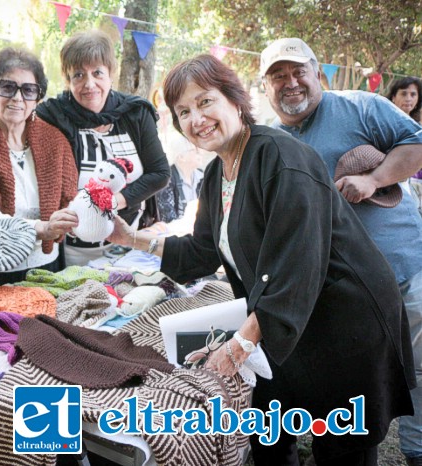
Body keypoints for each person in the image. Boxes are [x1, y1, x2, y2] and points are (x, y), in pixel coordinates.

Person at [108, 54, 415, 466]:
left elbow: (297, 263)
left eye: (204, 102)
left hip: (345, 320)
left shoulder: (281, 156)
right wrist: (131, 238)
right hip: (289, 317)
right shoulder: (218, 173)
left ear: (234, 99)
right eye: (183, 111)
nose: (195, 118)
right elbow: (202, 250)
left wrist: (239, 345)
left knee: (342, 446)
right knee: (269, 430)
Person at [260, 37, 422, 466]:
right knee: (357, 385)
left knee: (419, 370)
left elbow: (416, 144)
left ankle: (416, 453)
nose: (291, 83)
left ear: (318, 73)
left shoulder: (360, 106)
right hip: (340, 295)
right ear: (264, 88)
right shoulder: (271, 140)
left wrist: (374, 178)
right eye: (278, 76)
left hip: (404, 270)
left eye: (299, 72)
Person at [0, 30, 170, 266]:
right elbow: (12, 114)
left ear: (111, 74)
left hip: (130, 241)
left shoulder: (135, 113)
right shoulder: (55, 114)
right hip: (72, 248)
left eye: (97, 73)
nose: (89, 84)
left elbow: (160, 173)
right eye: (78, 75)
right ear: (67, 79)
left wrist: (110, 202)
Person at [0, 47, 79, 295]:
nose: (17, 98)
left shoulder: (55, 141)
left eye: (28, 90)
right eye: (7, 87)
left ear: (38, 97)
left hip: (47, 265)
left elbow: (70, 201)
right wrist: (40, 229)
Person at [387, 76, 422, 214]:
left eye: (413, 94)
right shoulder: (383, 122)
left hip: (414, 184)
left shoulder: (418, 128)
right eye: (404, 93)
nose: (409, 98)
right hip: (389, 186)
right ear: (394, 97)